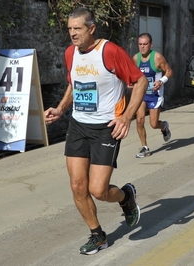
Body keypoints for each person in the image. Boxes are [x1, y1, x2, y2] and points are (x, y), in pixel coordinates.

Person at [43, 7, 148, 255]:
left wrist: (126, 116)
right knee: (78, 186)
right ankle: (98, 235)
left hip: (105, 129)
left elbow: (140, 81)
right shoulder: (71, 53)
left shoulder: (110, 52)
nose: (72, 34)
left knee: (98, 190)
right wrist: (60, 109)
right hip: (78, 126)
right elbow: (74, 83)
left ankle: (125, 197)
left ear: (91, 28)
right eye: (69, 29)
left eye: (77, 28)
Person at [131, 33, 173, 158]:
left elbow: (169, 71)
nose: (142, 47)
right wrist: (131, 83)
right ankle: (145, 147)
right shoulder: (135, 58)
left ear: (151, 45)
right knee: (139, 120)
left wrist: (161, 82)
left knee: (153, 124)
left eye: (145, 44)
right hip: (142, 94)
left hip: (155, 95)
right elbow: (133, 75)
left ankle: (164, 126)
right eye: (140, 44)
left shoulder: (157, 58)